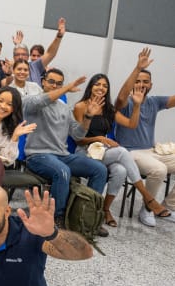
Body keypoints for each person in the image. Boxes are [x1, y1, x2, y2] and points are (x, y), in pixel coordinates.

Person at [114, 50, 175, 226]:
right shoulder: (126, 103)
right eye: (137, 81)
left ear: (151, 85)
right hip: (130, 153)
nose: (141, 85)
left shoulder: (154, 102)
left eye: (145, 82)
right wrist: (137, 67)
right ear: (132, 84)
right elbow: (121, 96)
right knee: (159, 170)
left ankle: (168, 209)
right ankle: (148, 209)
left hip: (153, 151)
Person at [72, 69, 169, 228]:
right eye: (97, 84)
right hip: (85, 153)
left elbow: (132, 124)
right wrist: (99, 138)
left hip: (103, 152)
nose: (101, 88)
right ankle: (148, 198)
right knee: (122, 151)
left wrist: (137, 105)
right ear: (91, 86)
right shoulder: (81, 106)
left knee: (121, 171)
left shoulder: (109, 109)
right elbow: (78, 139)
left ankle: (105, 209)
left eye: (104, 85)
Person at [21, 69, 108, 232]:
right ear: (43, 82)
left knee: (100, 169)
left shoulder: (64, 107)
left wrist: (88, 117)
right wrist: (66, 88)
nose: (55, 86)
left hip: (62, 155)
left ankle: (87, 214)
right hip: (38, 156)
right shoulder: (30, 101)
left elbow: (77, 133)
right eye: (51, 82)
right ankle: (57, 218)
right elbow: (42, 101)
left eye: (59, 83)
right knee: (63, 171)